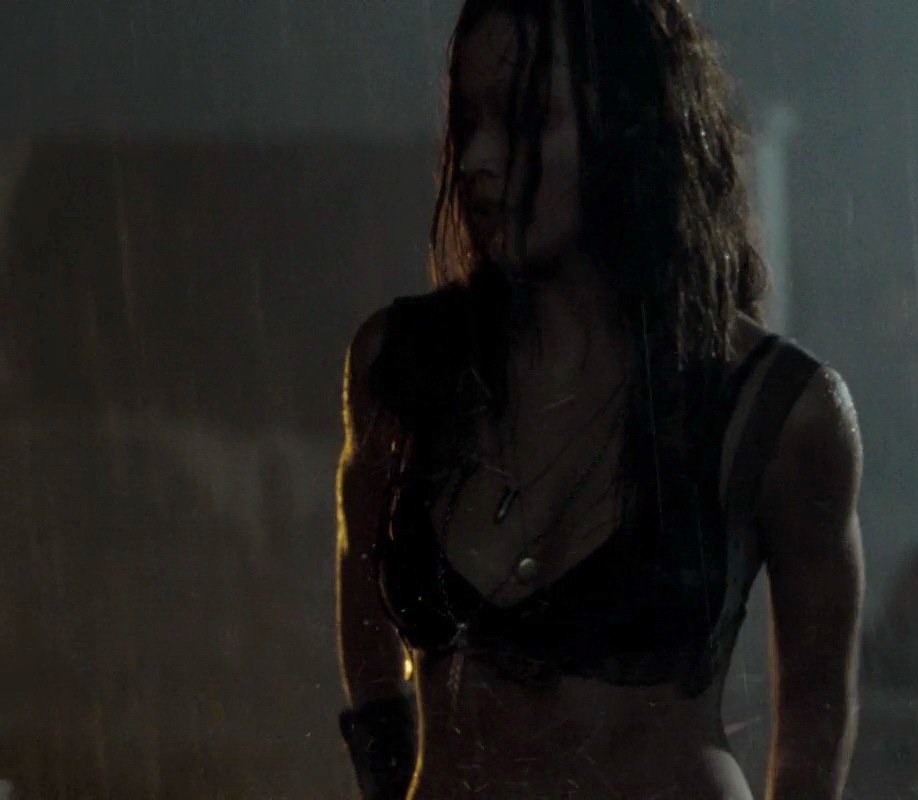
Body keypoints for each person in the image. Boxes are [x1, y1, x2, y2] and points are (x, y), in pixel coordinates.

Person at [332, 1, 864, 797]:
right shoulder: (402, 368)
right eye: (468, 120)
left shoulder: (778, 410)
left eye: (524, 119)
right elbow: (363, 602)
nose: (477, 158)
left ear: (629, 127)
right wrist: (385, 776)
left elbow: (815, 718)